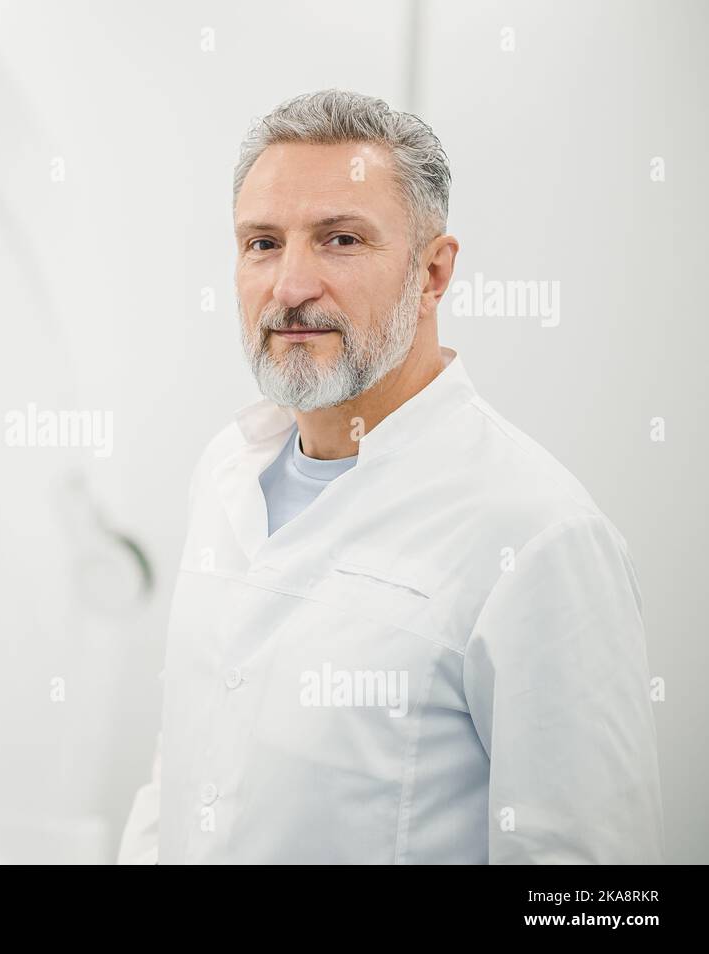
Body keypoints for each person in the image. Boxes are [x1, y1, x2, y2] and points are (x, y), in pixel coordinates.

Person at [117, 89, 663, 864]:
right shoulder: (224, 475)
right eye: (262, 243)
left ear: (433, 274)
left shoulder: (537, 534)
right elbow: (179, 774)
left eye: (340, 239)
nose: (290, 286)